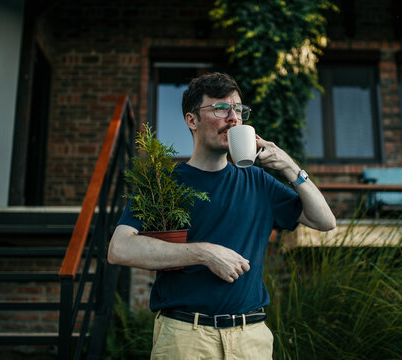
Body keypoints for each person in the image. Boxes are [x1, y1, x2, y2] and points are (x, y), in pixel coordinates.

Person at [108, 72, 336, 359]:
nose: (233, 118)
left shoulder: (259, 182)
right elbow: (119, 248)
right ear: (192, 120)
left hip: (250, 338)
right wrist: (203, 253)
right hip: (184, 337)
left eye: (238, 109)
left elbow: (325, 221)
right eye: (220, 108)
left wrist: (290, 167)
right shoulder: (162, 184)